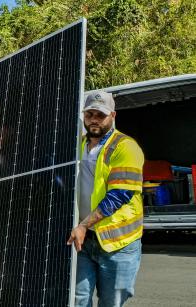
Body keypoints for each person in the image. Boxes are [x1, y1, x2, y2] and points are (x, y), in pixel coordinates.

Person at [67, 91, 144, 307]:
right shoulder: (77, 146)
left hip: (118, 245)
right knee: (76, 300)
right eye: (89, 113)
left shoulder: (126, 147)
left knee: (111, 303)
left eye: (100, 115)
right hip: (84, 242)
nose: (94, 119)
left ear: (113, 115)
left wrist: (83, 225)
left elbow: (118, 195)